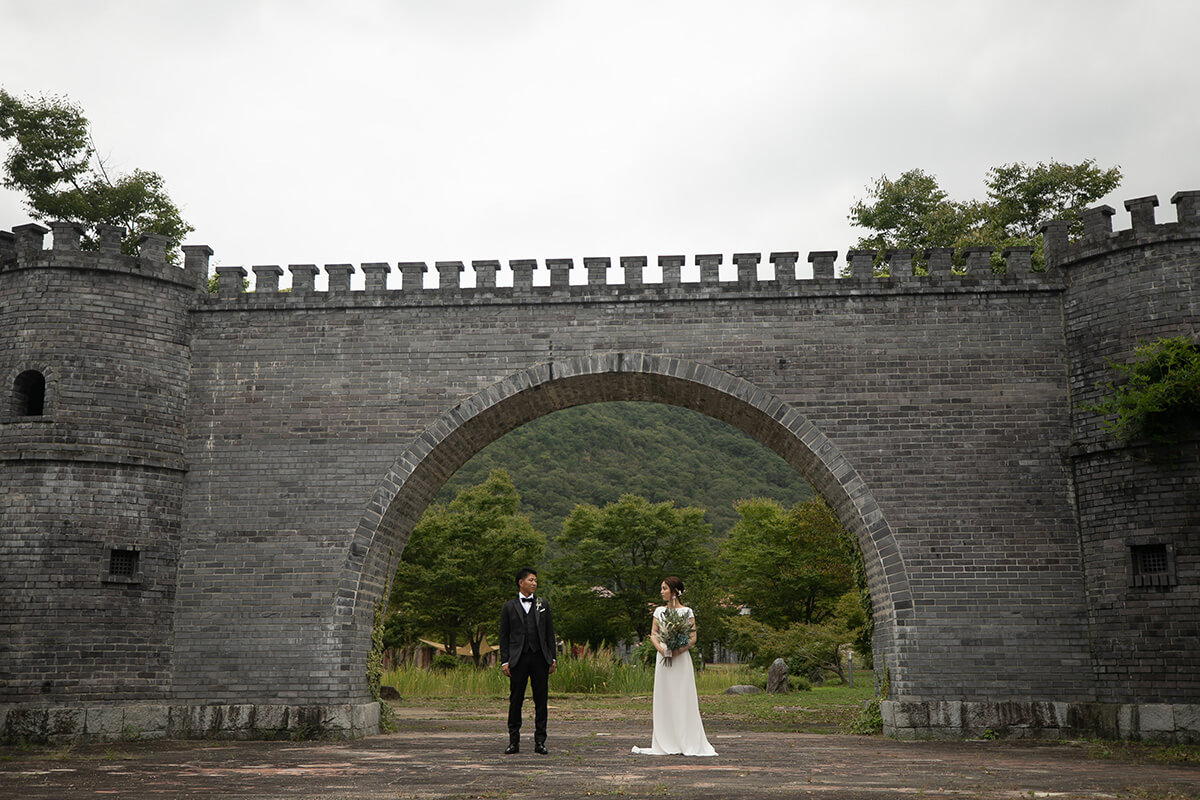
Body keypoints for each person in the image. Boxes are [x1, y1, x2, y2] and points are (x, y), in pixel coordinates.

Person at [631, 576, 717, 757]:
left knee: (682, 697)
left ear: (674, 591)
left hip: (681, 659)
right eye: (661, 588)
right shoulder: (659, 611)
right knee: (665, 697)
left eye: (664, 588)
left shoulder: (687, 611)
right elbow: (653, 635)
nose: (661, 592)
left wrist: (678, 650)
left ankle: (686, 738)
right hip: (663, 659)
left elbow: (693, 637)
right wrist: (662, 650)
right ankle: (666, 739)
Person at [499, 566, 557, 754]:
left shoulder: (542, 604)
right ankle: (513, 741)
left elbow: (549, 634)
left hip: (540, 658)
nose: (534, 583)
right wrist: (504, 661)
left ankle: (540, 741)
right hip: (518, 659)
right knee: (516, 700)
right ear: (521, 582)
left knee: (541, 700)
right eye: (531, 580)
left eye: (535, 581)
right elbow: (504, 636)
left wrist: (552, 657)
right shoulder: (508, 606)